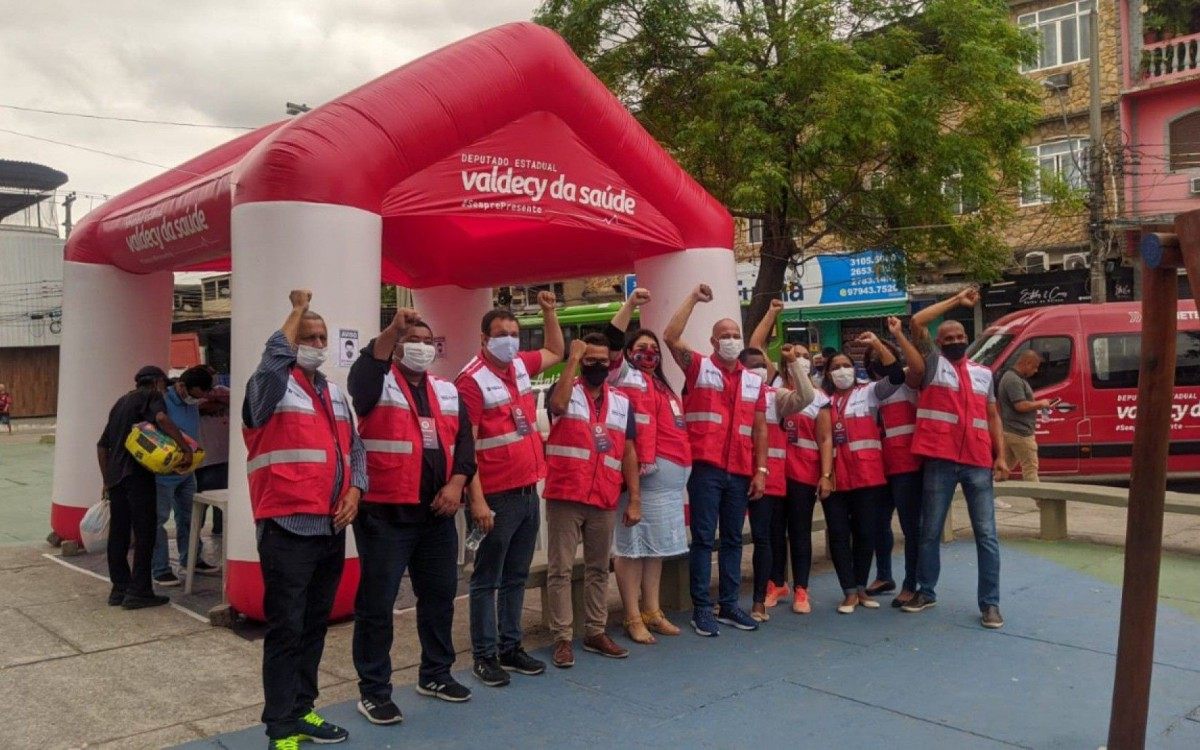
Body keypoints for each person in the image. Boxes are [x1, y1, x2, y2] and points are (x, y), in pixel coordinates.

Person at [242, 290, 367, 748]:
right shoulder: (269, 389)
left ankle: (302, 709)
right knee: (287, 629)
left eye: (321, 337)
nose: (315, 344)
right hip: (287, 527)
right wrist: (296, 310)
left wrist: (355, 489)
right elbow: (272, 363)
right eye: (306, 337)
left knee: (314, 625)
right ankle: (280, 727)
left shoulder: (333, 392)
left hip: (330, 527)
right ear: (291, 341)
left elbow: (355, 448)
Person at [348, 308, 477, 721]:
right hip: (385, 513)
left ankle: (436, 674)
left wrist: (456, 485)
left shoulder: (447, 390)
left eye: (426, 341)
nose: (421, 347)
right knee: (377, 604)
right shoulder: (376, 383)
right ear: (397, 347)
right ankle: (374, 690)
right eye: (411, 341)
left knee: (439, 597)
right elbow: (365, 372)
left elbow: (466, 445)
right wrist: (393, 329)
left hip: (437, 514)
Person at [663, 284, 810, 637]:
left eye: (734, 335)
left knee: (732, 539)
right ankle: (702, 608)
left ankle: (729, 605)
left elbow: (760, 429)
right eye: (724, 335)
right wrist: (693, 298)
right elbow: (670, 336)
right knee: (703, 539)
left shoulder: (752, 382)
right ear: (713, 342)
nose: (730, 339)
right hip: (706, 469)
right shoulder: (699, 368)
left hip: (741, 471)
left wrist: (761, 471)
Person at [458, 291, 563, 688]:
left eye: (514, 333)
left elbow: (556, 350)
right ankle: (485, 656)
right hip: (494, 498)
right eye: (501, 334)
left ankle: (510, 646)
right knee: (487, 579)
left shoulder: (518, 365)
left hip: (526, 491)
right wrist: (477, 501)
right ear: (484, 339)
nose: (509, 340)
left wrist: (549, 312)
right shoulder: (472, 381)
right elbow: (465, 447)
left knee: (516, 575)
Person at [902, 287, 1008, 630]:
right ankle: (926, 591)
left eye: (960, 336)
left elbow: (992, 416)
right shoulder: (934, 365)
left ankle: (990, 604)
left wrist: (1001, 456)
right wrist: (957, 301)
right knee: (930, 531)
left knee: (987, 535)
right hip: (941, 460)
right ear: (939, 342)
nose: (955, 341)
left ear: (968, 338)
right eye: (948, 337)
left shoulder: (983, 373)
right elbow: (917, 322)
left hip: (978, 460)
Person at [544, 334, 640, 667]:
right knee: (560, 569)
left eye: (603, 361)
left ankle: (595, 631)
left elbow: (629, 452)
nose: (597, 366)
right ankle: (562, 638)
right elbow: (557, 407)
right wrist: (572, 359)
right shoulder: (563, 390)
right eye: (590, 360)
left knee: (599, 568)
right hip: (566, 493)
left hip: (604, 495)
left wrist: (635, 498)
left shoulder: (622, 402)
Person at [606, 289, 691, 644]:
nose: (649, 353)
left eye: (654, 349)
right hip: (639, 483)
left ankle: (652, 611)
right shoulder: (624, 376)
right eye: (641, 348)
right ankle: (631, 615)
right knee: (632, 548)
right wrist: (630, 305)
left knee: (654, 550)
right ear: (628, 353)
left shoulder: (663, 386)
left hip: (668, 486)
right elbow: (611, 341)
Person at [821, 333, 908, 614]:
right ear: (828, 373)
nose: (842, 371)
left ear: (855, 369)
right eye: (836, 367)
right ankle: (848, 591)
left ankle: (860, 587)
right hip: (835, 478)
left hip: (868, 476)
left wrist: (876, 344)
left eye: (846, 365)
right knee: (838, 534)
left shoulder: (869, 392)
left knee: (866, 533)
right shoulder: (822, 401)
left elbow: (896, 376)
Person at [97, 365, 192, 609]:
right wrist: (185, 448)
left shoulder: (120, 403)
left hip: (116, 478)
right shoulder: (152, 395)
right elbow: (161, 419)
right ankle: (139, 591)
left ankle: (119, 589)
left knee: (118, 533)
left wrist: (107, 480)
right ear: (158, 382)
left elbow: (102, 445)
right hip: (138, 476)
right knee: (145, 533)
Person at [860, 318, 926, 606]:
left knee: (911, 528)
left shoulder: (908, 381)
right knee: (878, 522)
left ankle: (912, 583)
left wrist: (889, 338)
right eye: (871, 359)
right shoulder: (872, 390)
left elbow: (907, 369)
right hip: (880, 468)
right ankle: (885, 575)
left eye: (880, 355)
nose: (875, 361)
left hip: (907, 466)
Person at [778, 347, 833, 614]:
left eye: (803, 355)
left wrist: (825, 475)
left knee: (799, 531)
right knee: (773, 531)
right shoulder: (776, 392)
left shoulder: (818, 398)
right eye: (793, 355)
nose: (798, 358)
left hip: (804, 472)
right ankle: (776, 583)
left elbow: (825, 439)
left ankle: (801, 588)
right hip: (776, 472)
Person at [152, 366, 218, 586]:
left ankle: (191, 559)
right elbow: (159, 423)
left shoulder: (193, 402)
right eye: (196, 394)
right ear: (183, 386)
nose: (196, 399)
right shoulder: (162, 400)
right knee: (158, 520)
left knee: (190, 518)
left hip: (187, 471)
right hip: (164, 473)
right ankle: (160, 568)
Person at [738, 347, 789, 623]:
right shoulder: (732, 391)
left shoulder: (775, 396)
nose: (760, 369)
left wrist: (792, 363)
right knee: (732, 538)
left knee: (762, 537)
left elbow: (805, 397)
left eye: (763, 365)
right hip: (733, 473)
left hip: (763, 477)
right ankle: (727, 600)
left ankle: (759, 600)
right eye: (753, 365)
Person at [998, 350, 1049, 483]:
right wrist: (1041, 404)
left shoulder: (1012, 377)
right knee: (1030, 468)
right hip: (1021, 433)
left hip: (1010, 431)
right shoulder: (1013, 380)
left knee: (1004, 468)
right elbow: (1020, 405)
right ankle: (1037, 496)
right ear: (1027, 363)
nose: (1036, 371)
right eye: (1035, 367)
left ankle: (991, 492)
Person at [195, 374, 230, 536]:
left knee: (222, 505)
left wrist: (218, 398)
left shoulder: (222, 392)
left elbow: (234, 397)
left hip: (223, 460)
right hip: (204, 462)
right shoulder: (195, 399)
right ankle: (195, 537)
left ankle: (219, 532)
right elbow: (202, 407)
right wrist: (217, 401)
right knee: (199, 505)